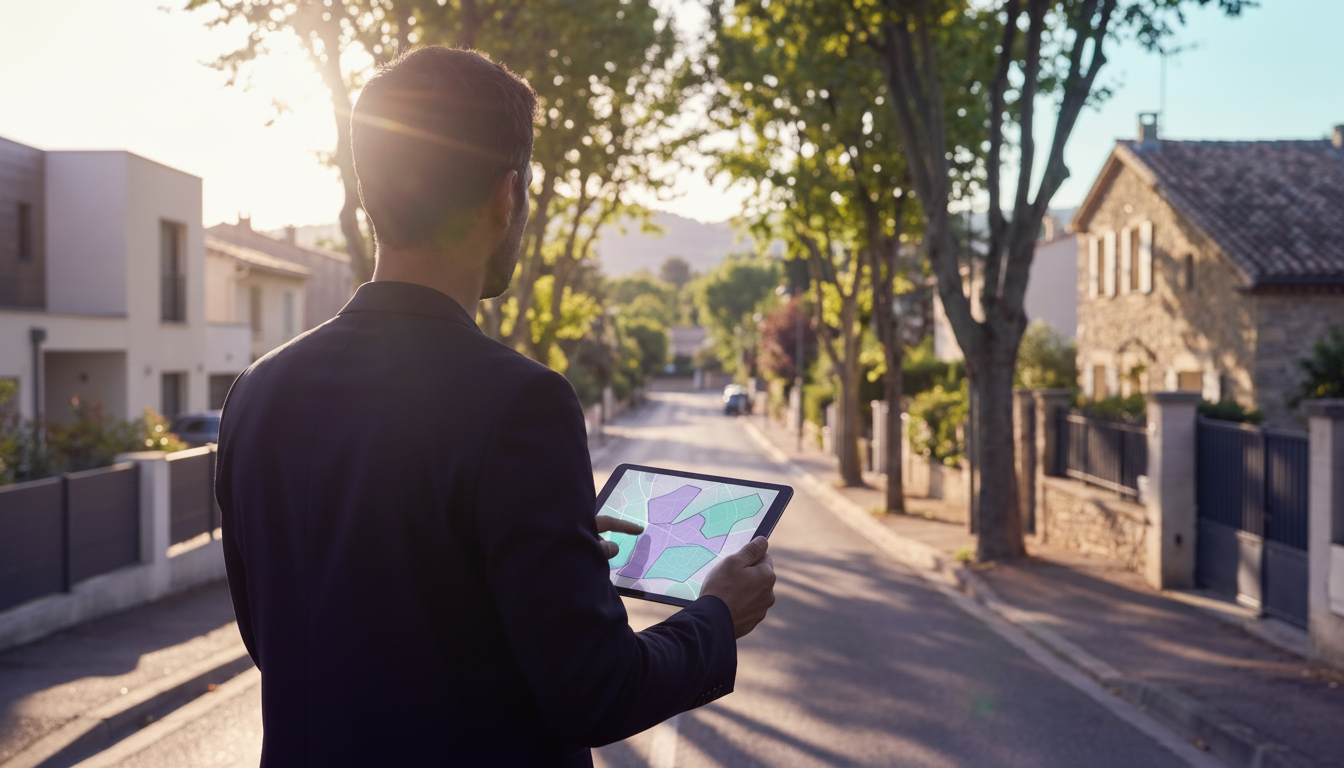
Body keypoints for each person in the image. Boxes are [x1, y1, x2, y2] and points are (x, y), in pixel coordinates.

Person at [215, 46, 776, 767]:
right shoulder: (522, 403)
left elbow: (283, 642)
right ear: (506, 195)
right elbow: (598, 693)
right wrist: (718, 617)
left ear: (367, 196)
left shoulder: (257, 392)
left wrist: (533, 553)